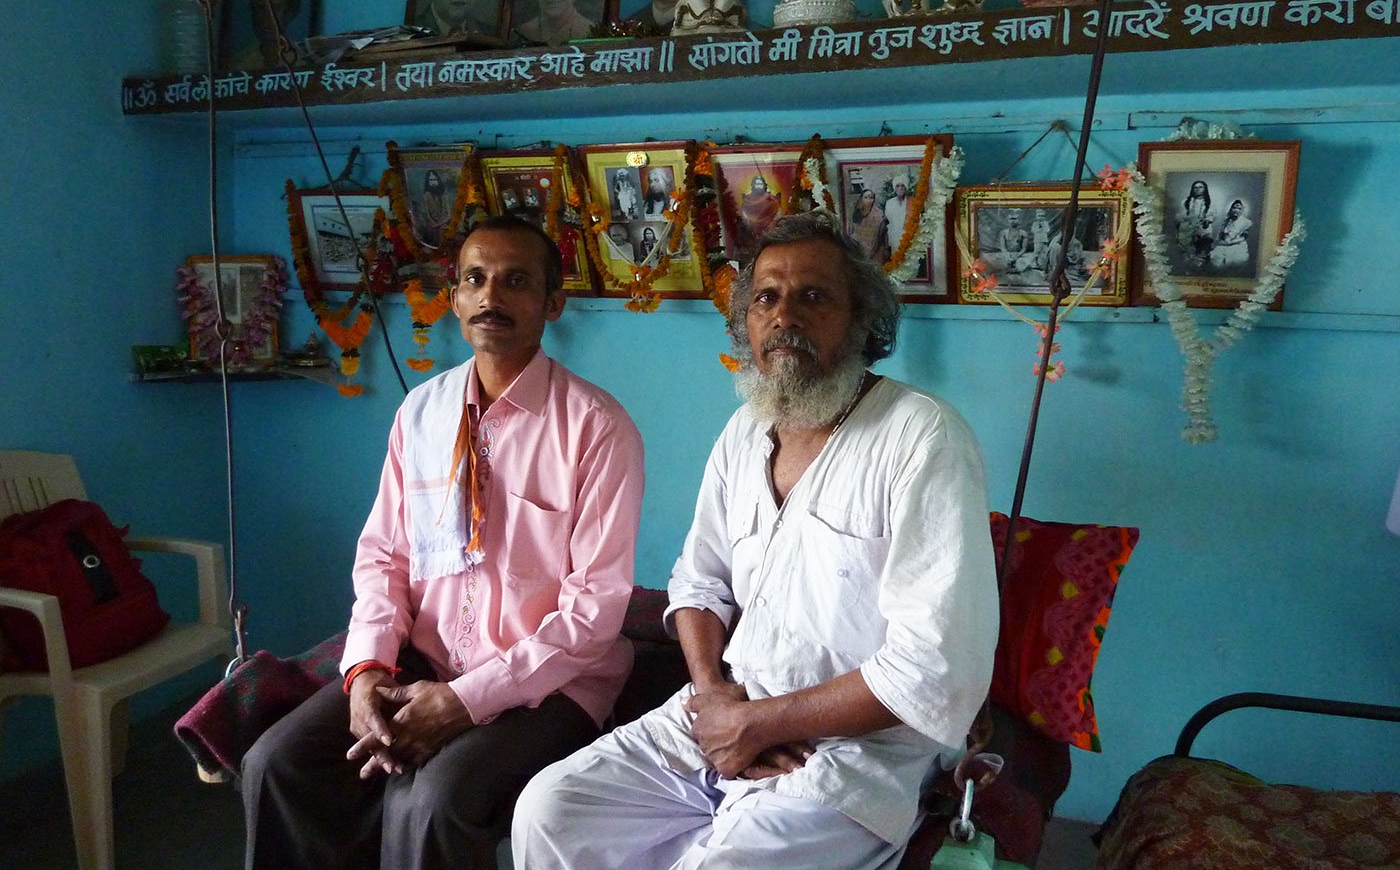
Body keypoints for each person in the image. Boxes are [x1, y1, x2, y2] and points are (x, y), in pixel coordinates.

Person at [514, 208, 998, 869]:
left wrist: (765, 724)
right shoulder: (746, 430)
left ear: (860, 320)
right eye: (766, 297)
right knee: (551, 808)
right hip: (724, 710)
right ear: (745, 321)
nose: (784, 316)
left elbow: (932, 667)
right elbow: (697, 582)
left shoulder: (922, 437)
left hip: (853, 751)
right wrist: (716, 698)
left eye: (813, 296)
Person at [241, 216, 645, 870]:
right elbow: (384, 556)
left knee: (430, 800)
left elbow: (594, 613)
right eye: (476, 279)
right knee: (277, 763)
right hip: (425, 659)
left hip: (550, 680)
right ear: (454, 297)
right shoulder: (421, 412)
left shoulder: (597, 428)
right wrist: (368, 669)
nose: (492, 296)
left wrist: (465, 701)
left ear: (552, 303)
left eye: (517, 281)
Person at [229, 0, 302, 71]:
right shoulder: (238, 64)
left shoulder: (304, 61)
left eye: (275, 8)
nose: (267, 17)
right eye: (260, 8)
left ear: (289, 13)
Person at [1175, 180, 1215, 268]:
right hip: (1188, 229)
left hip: (1203, 230)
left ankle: (1201, 271)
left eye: (1200, 187)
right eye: (1195, 187)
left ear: (1205, 189)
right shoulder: (1186, 201)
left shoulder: (1210, 202)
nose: (1197, 189)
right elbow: (1180, 215)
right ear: (1192, 189)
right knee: (1188, 252)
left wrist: (1207, 220)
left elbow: (1213, 215)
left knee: (1202, 252)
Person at [846, 188, 889, 264]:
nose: (868, 200)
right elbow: (851, 232)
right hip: (857, 250)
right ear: (861, 199)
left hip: (875, 253)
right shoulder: (856, 213)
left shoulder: (879, 215)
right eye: (866, 197)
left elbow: (882, 236)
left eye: (871, 197)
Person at [414, 168, 454, 249]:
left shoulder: (443, 193)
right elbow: (427, 214)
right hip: (433, 226)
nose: (433, 182)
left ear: (438, 180)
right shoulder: (426, 195)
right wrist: (436, 224)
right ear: (428, 182)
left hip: (446, 223)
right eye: (430, 180)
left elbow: (448, 210)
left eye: (434, 179)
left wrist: (445, 221)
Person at [1210, 198, 1252, 270]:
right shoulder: (1226, 221)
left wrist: (1229, 242)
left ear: (1242, 210)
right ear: (1231, 209)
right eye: (1234, 207)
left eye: (1239, 208)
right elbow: (1220, 235)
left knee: (1234, 263)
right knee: (1216, 261)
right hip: (1222, 244)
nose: (1236, 210)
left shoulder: (1246, 222)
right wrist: (1216, 244)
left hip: (1237, 246)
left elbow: (1242, 237)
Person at [884, 175, 911, 249]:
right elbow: (888, 222)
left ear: (906, 187)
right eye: (897, 186)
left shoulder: (912, 202)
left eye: (903, 185)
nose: (900, 188)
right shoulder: (889, 203)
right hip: (895, 238)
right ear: (894, 188)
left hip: (909, 238)